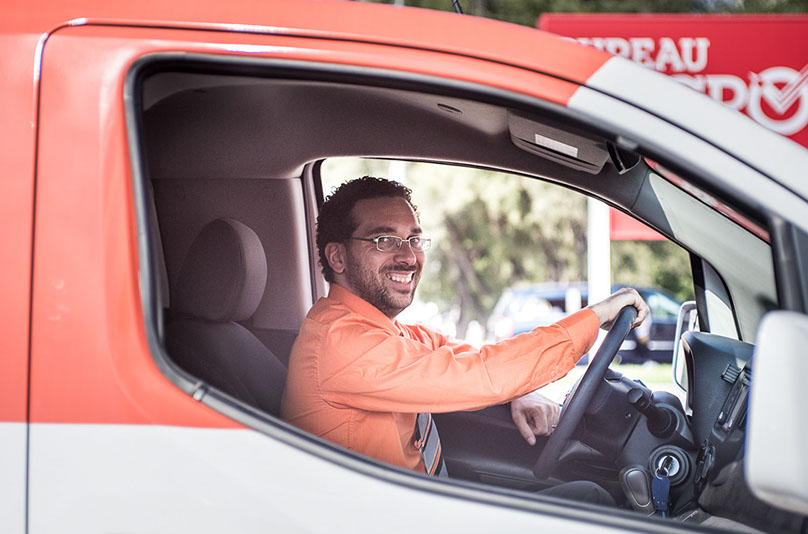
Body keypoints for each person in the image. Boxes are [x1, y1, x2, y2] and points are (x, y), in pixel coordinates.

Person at [280, 177, 649, 502]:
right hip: (386, 520)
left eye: (414, 239)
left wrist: (516, 391)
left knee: (587, 496)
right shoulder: (341, 341)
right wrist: (594, 316)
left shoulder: (383, 332)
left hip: (418, 506)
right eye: (385, 240)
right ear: (338, 257)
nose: (408, 256)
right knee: (593, 505)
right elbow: (478, 375)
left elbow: (462, 357)